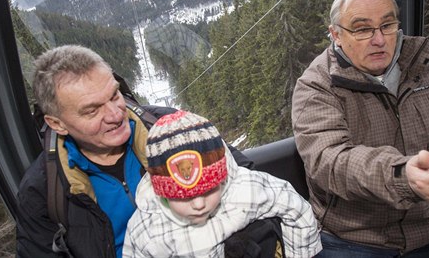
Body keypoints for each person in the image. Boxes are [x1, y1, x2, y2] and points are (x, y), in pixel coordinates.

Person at [291, 0, 429, 257]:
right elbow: (330, 160)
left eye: (387, 25)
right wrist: (402, 176)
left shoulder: (425, 67)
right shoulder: (318, 86)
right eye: (362, 29)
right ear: (335, 34)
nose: (379, 39)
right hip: (357, 236)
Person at [15, 45, 251, 257]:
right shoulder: (43, 192)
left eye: (114, 95)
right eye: (92, 111)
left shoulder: (171, 128)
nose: (116, 115)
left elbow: (246, 179)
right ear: (57, 124)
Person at [123, 110, 322, 257]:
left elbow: (296, 208)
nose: (199, 204)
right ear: (162, 192)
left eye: (209, 190)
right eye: (185, 197)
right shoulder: (148, 227)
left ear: (221, 178)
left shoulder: (244, 190)